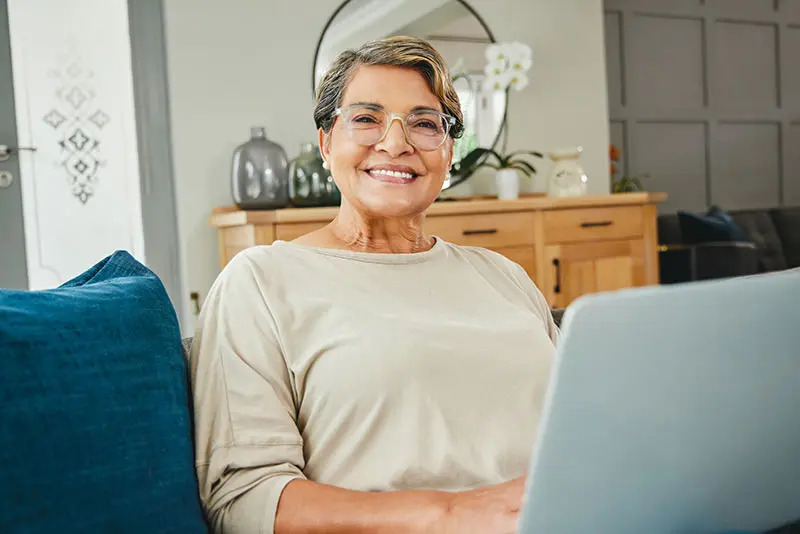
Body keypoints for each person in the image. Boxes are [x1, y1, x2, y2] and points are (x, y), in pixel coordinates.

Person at [189, 36, 558, 534]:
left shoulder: (503, 276)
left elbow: (578, 433)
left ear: (448, 152)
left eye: (425, 124)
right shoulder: (260, 282)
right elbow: (246, 499)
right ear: (326, 142)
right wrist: (452, 514)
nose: (395, 142)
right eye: (366, 119)